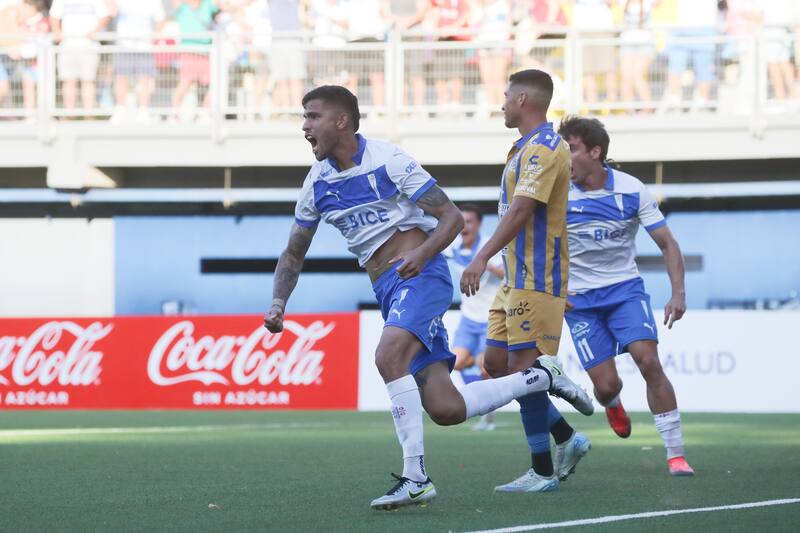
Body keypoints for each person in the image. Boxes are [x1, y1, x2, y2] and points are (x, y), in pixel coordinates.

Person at [264, 84, 592, 509]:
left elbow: (451, 218)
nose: (304, 126)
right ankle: (542, 377)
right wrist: (278, 302)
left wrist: (419, 253)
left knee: (387, 357)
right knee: (446, 408)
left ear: (341, 121)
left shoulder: (389, 161)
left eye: (312, 116)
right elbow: (293, 252)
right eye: (304, 118)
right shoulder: (317, 184)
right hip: (388, 290)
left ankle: (415, 477)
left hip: (423, 276)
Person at [460, 69, 593, 494]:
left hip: (537, 278)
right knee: (496, 368)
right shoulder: (521, 148)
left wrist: (480, 255)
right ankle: (567, 437)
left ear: (521, 99)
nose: (500, 103)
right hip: (516, 279)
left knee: (521, 371)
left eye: (504, 95)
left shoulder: (546, 147)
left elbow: (520, 212)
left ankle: (542, 471)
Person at [557, 115, 695, 476]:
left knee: (648, 360)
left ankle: (675, 454)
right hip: (579, 302)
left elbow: (668, 243)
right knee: (605, 386)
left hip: (624, 291)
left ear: (595, 151)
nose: (562, 156)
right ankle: (612, 402)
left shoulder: (631, 189)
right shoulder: (555, 192)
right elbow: (535, 247)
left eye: (569, 149)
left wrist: (677, 293)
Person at [442, 203, 504, 431]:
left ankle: (487, 416)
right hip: (468, 318)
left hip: (491, 317)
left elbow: (507, 272)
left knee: (486, 368)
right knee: (455, 363)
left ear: (478, 224)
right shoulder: (455, 245)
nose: (464, 226)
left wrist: (484, 263)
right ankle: (479, 391)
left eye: (468, 221)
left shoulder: (490, 247)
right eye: (461, 221)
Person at [49, 0, 112, 114]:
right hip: (67, 45)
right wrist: (57, 31)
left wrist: (94, 31)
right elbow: (54, 15)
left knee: (88, 80)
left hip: (88, 45)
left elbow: (105, 16)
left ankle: (88, 114)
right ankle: (69, 114)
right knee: (68, 80)